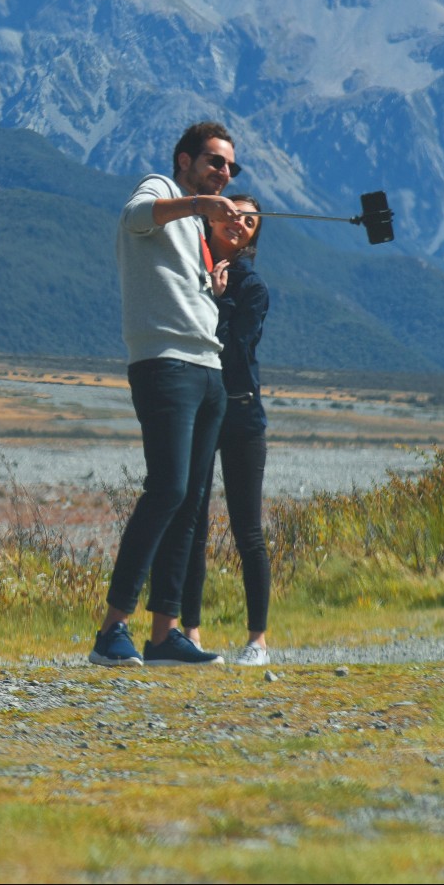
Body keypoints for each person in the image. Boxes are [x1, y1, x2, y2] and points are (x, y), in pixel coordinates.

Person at [89, 120, 239, 668]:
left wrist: (212, 289)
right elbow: (132, 219)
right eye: (214, 162)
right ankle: (112, 630)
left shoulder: (198, 225)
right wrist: (198, 203)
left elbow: (177, 288)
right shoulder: (162, 190)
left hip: (208, 367)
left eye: (229, 166)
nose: (224, 173)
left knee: (191, 505)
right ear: (185, 160)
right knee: (167, 490)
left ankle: (164, 636)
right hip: (165, 366)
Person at [178, 196, 274, 667]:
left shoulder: (251, 286)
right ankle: (189, 632)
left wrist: (217, 302)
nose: (240, 224)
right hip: (198, 408)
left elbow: (235, 350)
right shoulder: (187, 263)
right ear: (213, 216)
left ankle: (257, 641)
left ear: (253, 237)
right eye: (234, 213)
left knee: (247, 530)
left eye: (250, 222)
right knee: (192, 523)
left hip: (239, 413)